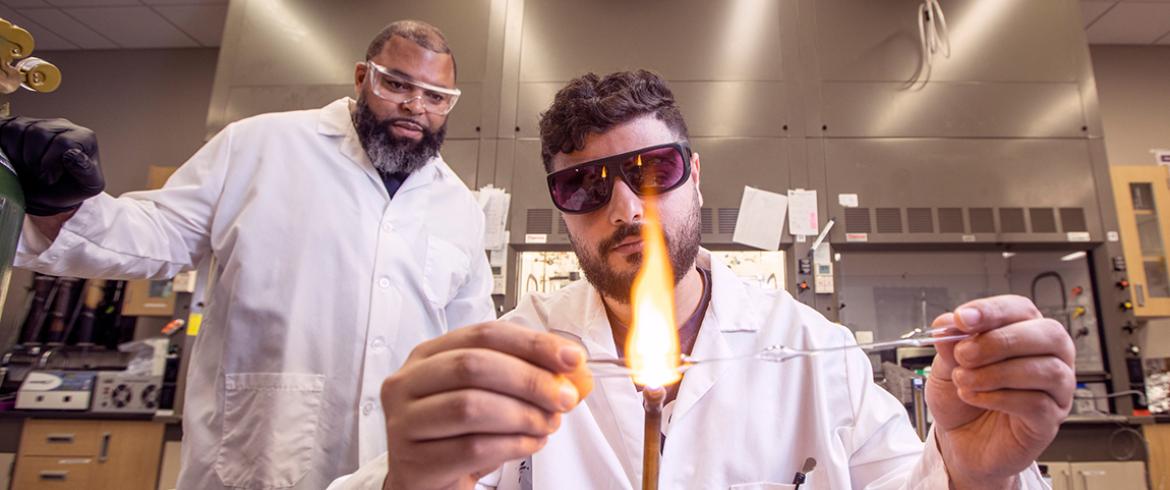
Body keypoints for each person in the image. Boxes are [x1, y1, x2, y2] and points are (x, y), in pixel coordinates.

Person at [333, 70, 1075, 489]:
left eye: (653, 171)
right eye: (585, 188)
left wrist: (976, 476)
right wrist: (408, 480)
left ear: (696, 176)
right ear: (561, 211)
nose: (625, 207)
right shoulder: (512, 357)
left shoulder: (814, 350)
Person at [0, 20, 493, 489]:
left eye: (435, 96)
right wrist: (58, 205)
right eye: (398, 85)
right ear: (363, 77)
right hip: (257, 454)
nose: (415, 106)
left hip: (397, 468)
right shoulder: (259, 146)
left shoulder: (459, 206)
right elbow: (154, 235)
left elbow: (471, 347)